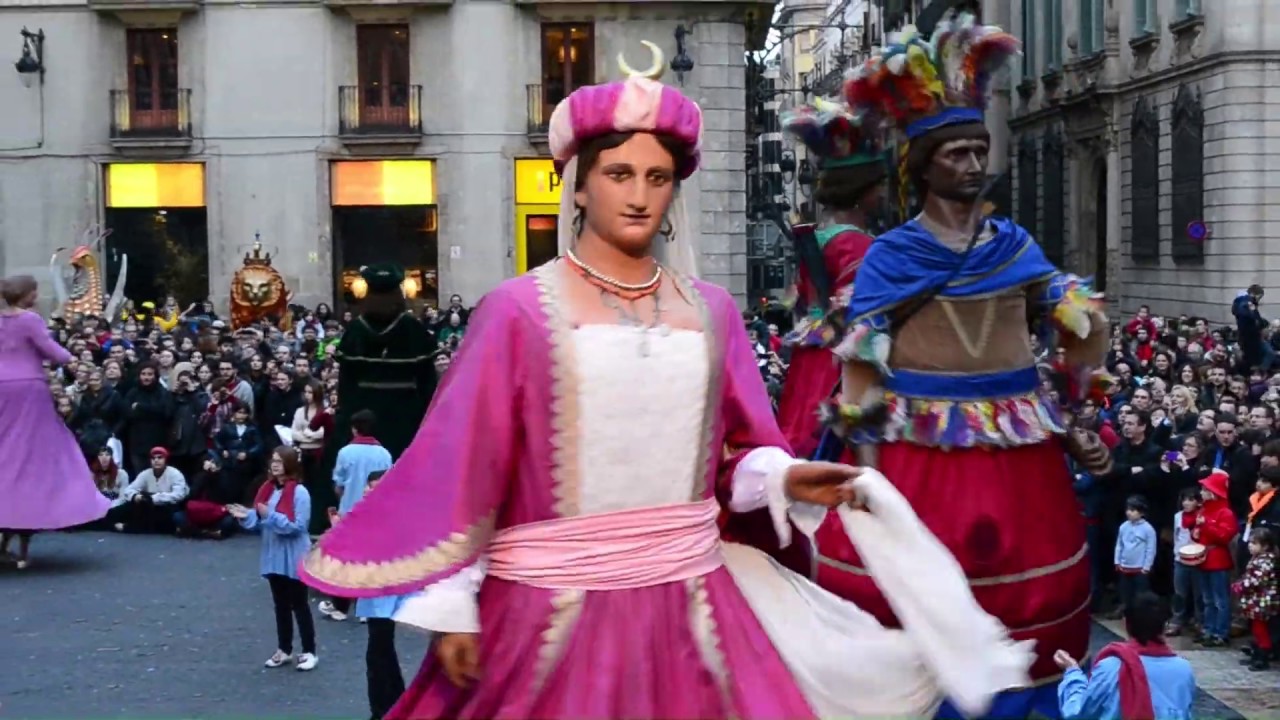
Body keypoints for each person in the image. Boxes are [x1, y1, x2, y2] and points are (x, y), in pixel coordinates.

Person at [298, 44, 1031, 720]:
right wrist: (456, 602)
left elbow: (736, 448)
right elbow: (470, 467)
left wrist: (783, 477)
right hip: (549, 608)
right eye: (618, 174)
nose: (640, 195)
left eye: (657, 177)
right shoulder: (518, 311)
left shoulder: (710, 311)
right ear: (578, 188)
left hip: (691, 603)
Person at [822, 14, 1109, 716]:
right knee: (917, 595)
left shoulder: (1013, 244)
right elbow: (860, 363)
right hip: (922, 455)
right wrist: (863, 475)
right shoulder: (892, 257)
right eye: (956, 153)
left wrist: (1076, 410)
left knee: (1034, 594)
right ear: (924, 165)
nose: (974, 164)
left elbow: (1073, 324)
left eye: (980, 150)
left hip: (1020, 455)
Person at [773, 98, 886, 460]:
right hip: (838, 364)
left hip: (811, 364)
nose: (885, 194)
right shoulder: (858, 244)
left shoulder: (822, 237)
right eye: (879, 185)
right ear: (863, 189)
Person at [0, 275, 110, 569]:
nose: (37, 295)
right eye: (34, 290)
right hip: (28, 389)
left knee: (6, 450)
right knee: (32, 450)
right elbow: (49, 349)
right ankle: (24, 523)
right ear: (26, 294)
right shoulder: (30, 320)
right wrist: (74, 361)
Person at [322, 264, 437, 532]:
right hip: (406, 412)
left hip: (363, 409)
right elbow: (427, 381)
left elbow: (346, 382)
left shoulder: (356, 330)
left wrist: (345, 417)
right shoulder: (413, 329)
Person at [226, 446, 317, 671]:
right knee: (280, 604)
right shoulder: (267, 489)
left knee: (300, 604)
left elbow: (298, 526)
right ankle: (284, 649)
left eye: (279, 461)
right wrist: (245, 516)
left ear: (290, 464)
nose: (275, 464)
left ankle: (309, 651)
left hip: (294, 553)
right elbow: (260, 520)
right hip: (274, 553)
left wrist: (269, 516)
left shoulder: (300, 492)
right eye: (273, 460)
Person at [1054, 592, 1195, 720]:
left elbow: (1079, 713)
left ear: (1127, 624)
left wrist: (1072, 673)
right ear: (1164, 626)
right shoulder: (1183, 670)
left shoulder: (1111, 667)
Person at [317, 409, 393, 623]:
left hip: (349, 511)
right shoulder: (384, 454)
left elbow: (338, 484)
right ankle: (366, 607)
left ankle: (341, 606)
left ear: (354, 428)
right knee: (370, 559)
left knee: (346, 560)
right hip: (376, 514)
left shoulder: (345, 452)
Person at [346, 470, 409, 720]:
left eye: (373, 488)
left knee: (377, 655)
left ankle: (381, 710)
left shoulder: (390, 521)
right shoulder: (375, 517)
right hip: (378, 597)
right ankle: (397, 702)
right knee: (383, 653)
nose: (367, 492)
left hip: (385, 597)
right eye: (367, 488)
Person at [1192, 469, 1238, 646]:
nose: (1202, 493)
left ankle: (1221, 632)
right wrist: (1196, 532)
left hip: (1218, 559)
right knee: (1207, 599)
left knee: (1220, 599)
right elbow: (1199, 534)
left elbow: (1225, 536)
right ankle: (1208, 629)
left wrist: (1207, 526)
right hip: (1203, 558)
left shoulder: (1225, 513)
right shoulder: (1203, 510)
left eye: (1205, 490)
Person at [111, 447, 189, 534]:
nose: (156, 460)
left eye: (160, 458)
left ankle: (131, 527)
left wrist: (154, 498)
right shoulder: (145, 473)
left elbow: (179, 495)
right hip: (148, 505)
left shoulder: (175, 474)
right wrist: (135, 496)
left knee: (177, 518)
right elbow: (129, 490)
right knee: (118, 511)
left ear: (165, 460)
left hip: (169, 506)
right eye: (153, 458)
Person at [1232, 526, 1278, 670]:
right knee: (1255, 628)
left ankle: (1262, 657)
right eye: (1250, 543)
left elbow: (1257, 580)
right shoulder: (1256, 558)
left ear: (1265, 546)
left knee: (1261, 629)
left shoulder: (1266, 561)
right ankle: (1256, 653)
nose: (1250, 546)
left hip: (1262, 601)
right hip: (1254, 601)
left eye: (1254, 543)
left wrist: (1241, 586)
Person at [1113, 495, 1157, 613]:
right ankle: (1125, 612)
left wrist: (1146, 567)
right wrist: (1117, 561)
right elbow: (1119, 545)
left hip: (1140, 569)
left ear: (1141, 512)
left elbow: (1151, 549)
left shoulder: (1148, 529)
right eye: (1128, 509)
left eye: (1133, 510)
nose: (1129, 513)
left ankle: (1139, 615)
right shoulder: (1123, 526)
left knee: (1140, 594)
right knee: (1125, 592)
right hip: (1124, 567)